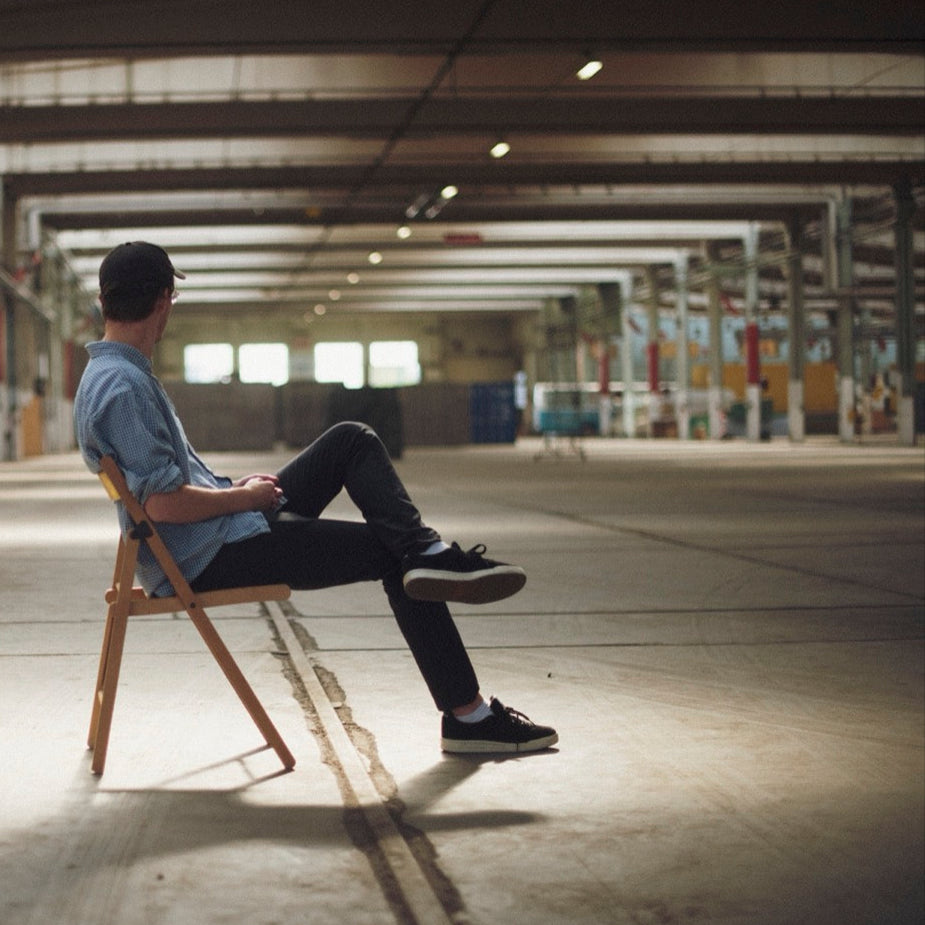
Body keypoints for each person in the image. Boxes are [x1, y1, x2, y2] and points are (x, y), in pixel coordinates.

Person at [74, 241, 557, 755]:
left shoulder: (114, 374)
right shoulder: (123, 385)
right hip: (209, 555)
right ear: (165, 301)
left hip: (214, 532)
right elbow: (163, 505)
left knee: (350, 439)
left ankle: (429, 553)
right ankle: (469, 715)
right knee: (394, 556)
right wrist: (244, 501)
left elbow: (166, 491)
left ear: (105, 303)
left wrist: (232, 489)